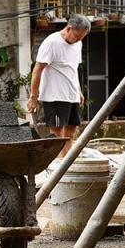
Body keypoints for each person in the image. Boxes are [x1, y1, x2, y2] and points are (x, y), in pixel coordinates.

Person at [27, 14, 91, 157]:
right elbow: (37, 70)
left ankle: (66, 164)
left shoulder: (77, 44)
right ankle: (57, 164)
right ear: (69, 28)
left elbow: (73, 69)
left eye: (82, 37)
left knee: (70, 131)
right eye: (77, 36)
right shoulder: (51, 42)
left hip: (71, 94)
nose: (78, 40)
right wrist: (33, 96)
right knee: (57, 132)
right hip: (55, 95)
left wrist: (79, 91)